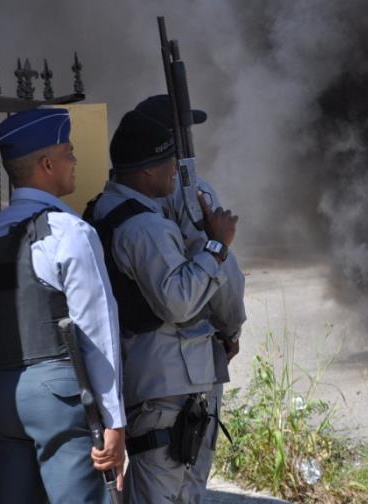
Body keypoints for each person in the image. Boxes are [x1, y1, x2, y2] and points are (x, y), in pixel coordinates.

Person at [0, 108, 126, 503]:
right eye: (69, 153)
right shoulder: (69, 232)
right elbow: (97, 333)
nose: (75, 162)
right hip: (60, 400)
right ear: (47, 164)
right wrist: (115, 422)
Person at [84, 109, 238, 503]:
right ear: (148, 171)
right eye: (169, 161)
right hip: (165, 388)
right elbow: (179, 302)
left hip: (162, 384)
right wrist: (216, 246)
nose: (176, 170)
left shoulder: (118, 210)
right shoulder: (145, 227)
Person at [133, 94, 246, 502]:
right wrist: (232, 329)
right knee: (187, 480)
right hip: (192, 361)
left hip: (142, 368)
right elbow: (225, 273)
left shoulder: (124, 199)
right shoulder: (193, 191)